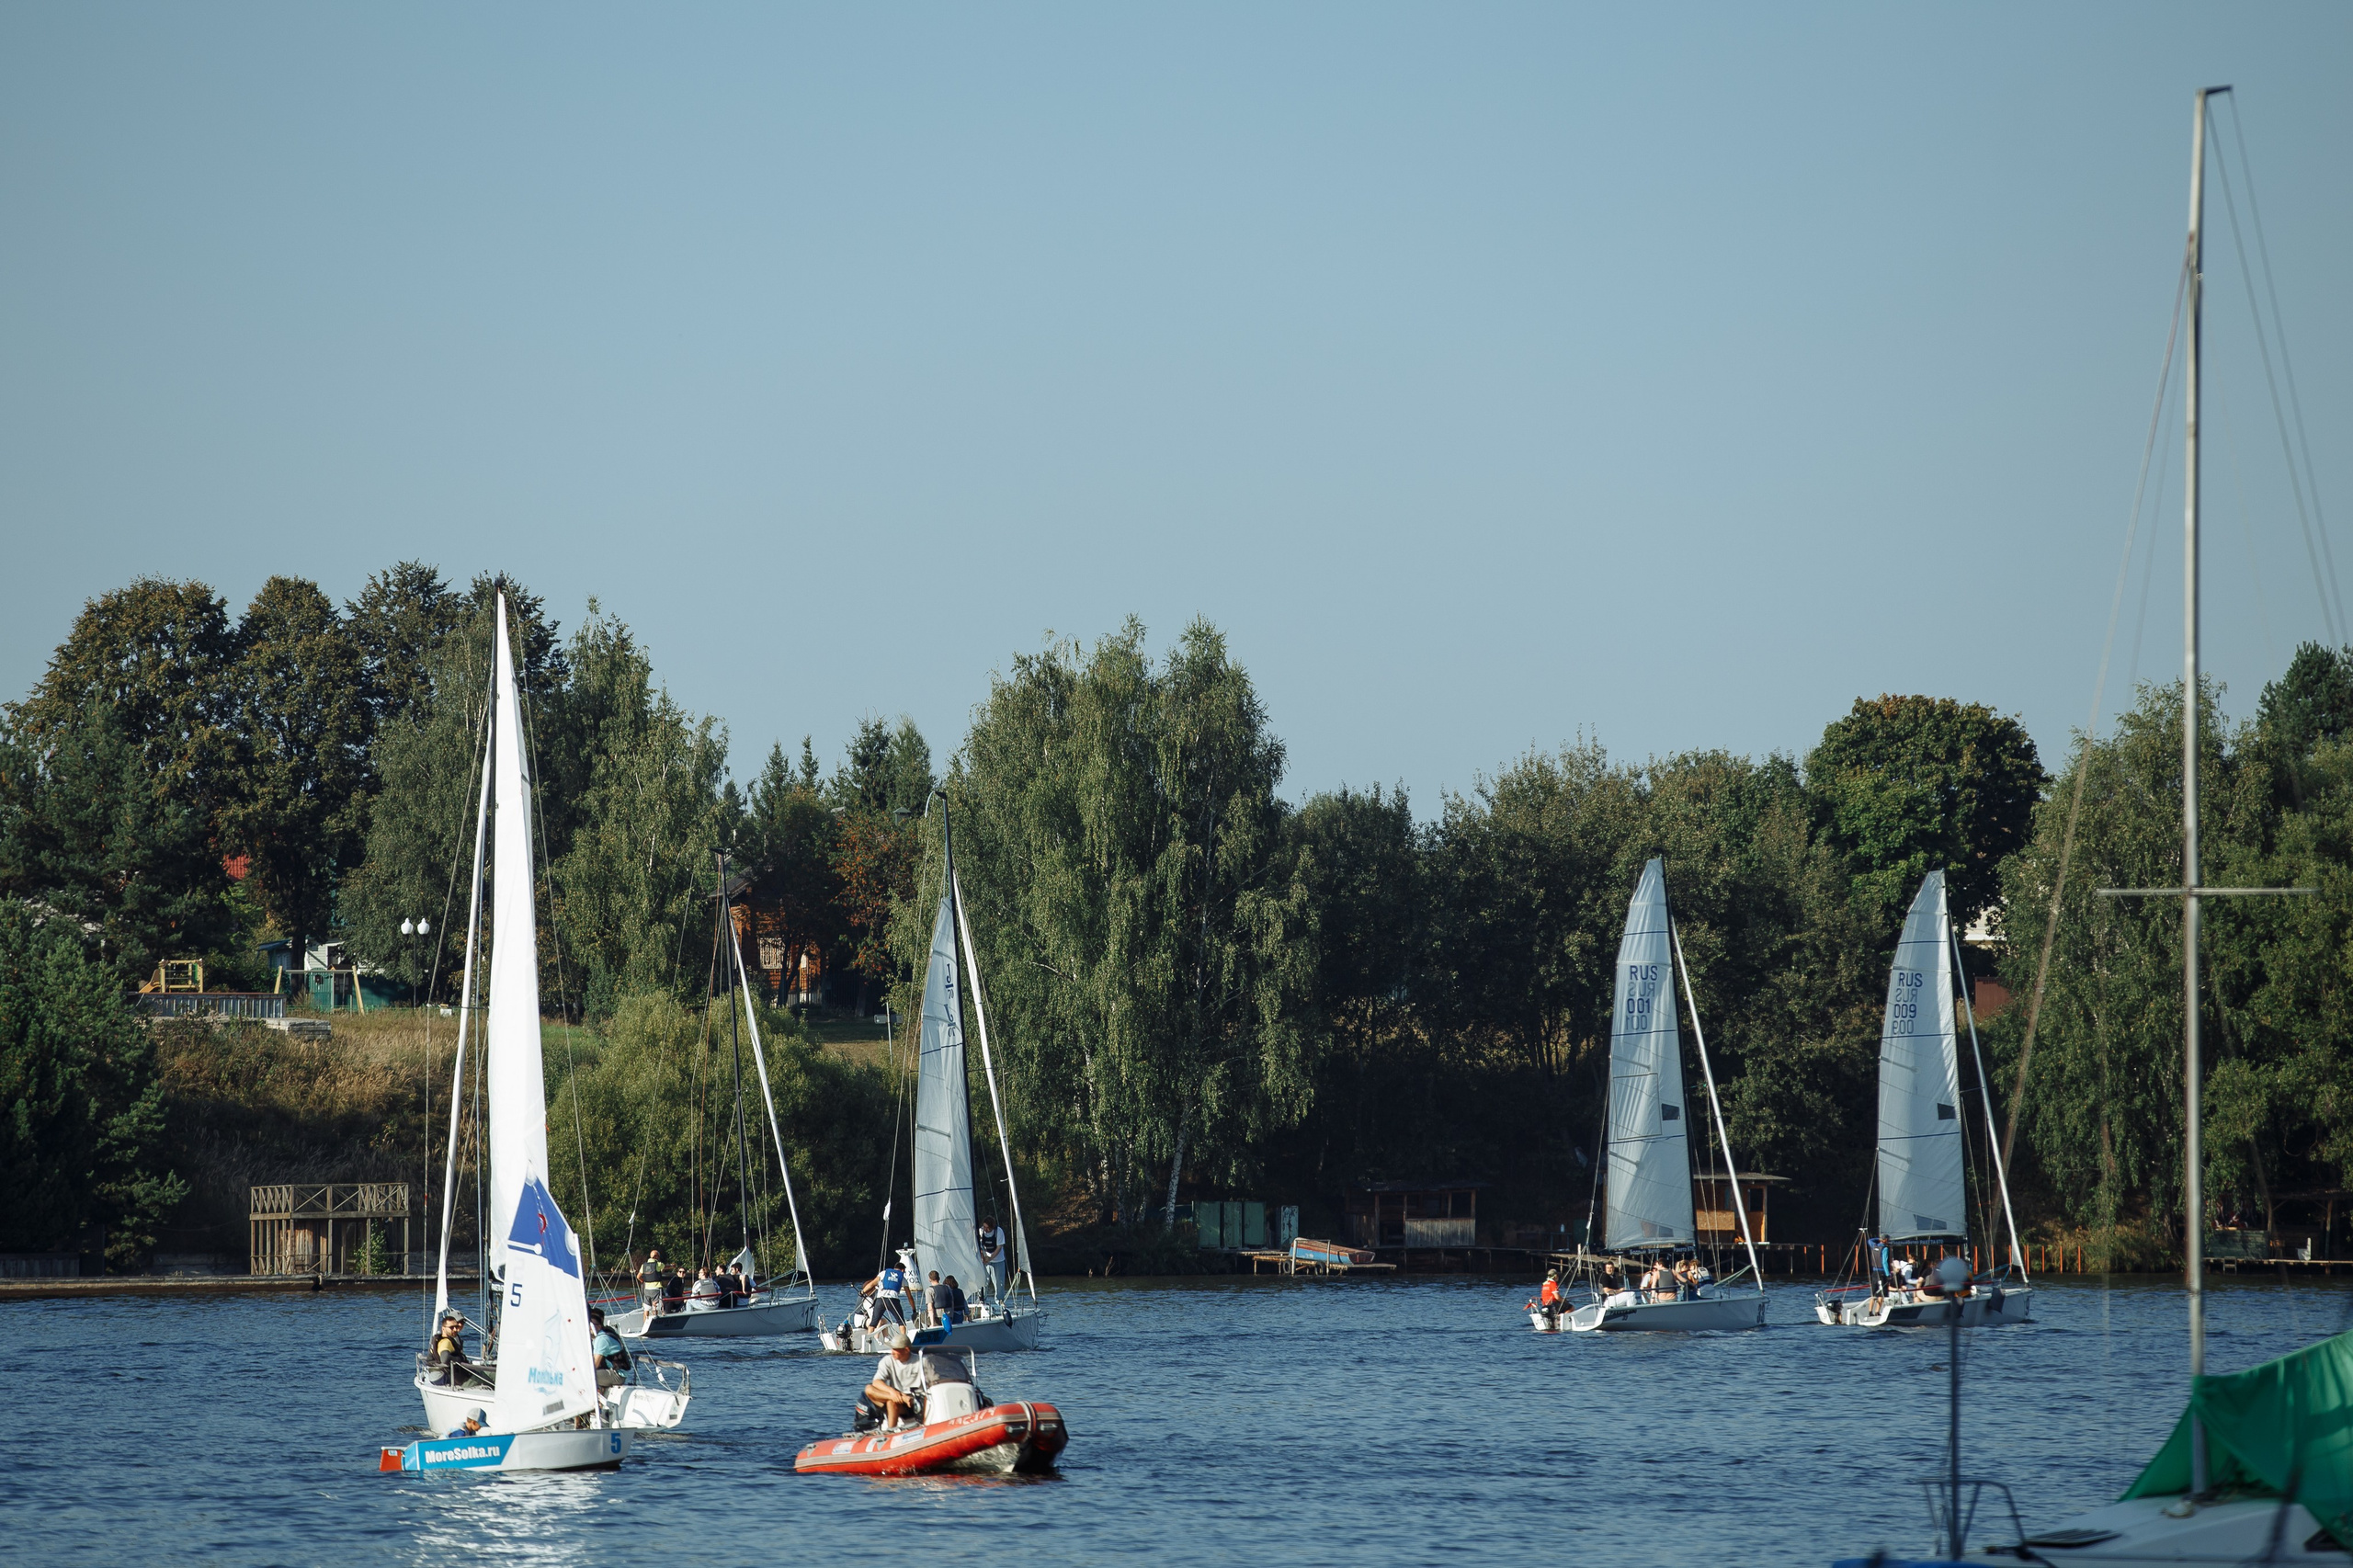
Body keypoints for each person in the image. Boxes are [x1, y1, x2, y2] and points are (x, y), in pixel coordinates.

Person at [862, 1328, 926, 1431]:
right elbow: (877, 1382)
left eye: (895, 1349)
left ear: (906, 1350)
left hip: (914, 1401)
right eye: (892, 1349)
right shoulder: (888, 1361)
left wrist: (903, 1397)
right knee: (869, 1389)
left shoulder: (921, 1362)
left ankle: (891, 1430)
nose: (892, 1352)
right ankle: (891, 1431)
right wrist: (893, 1392)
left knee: (892, 1402)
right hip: (897, 1397)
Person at [589, 1308, 630, 1387]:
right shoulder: (599, 1336)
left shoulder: (602, 1339)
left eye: (592, 1325)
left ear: (599, 1326)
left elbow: (595, 1365)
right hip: (610, 1370)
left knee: (585, 1376)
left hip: (617, 1375)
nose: (589, 1328)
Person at [978, 1220, 1008, 1296]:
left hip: (998, 1261)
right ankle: (982, 1299)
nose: (985, 1229)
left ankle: (1000, 1301)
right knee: (984, 1281)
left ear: (992, 1227)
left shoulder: (999, 1231)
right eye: (984, 1227)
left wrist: (990, 1258)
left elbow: (999, 1247)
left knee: (999, 1283)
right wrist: (983, 1257)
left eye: (987, 1228)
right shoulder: (981, 1231)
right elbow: (979, 1246)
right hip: (985, 1261)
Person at [637, 1248, 667, 1313]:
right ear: (656, 1256)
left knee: (646, 1309)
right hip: (656, 1289)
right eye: (658, 1256)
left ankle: (645, 1322)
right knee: (655, 1308)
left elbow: (638, 1277)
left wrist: (643, 1281)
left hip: (647, 1290)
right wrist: (673, 1266)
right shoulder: (658, 1264)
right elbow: (665, 1267)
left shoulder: (644, 1265)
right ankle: (654, 1321)